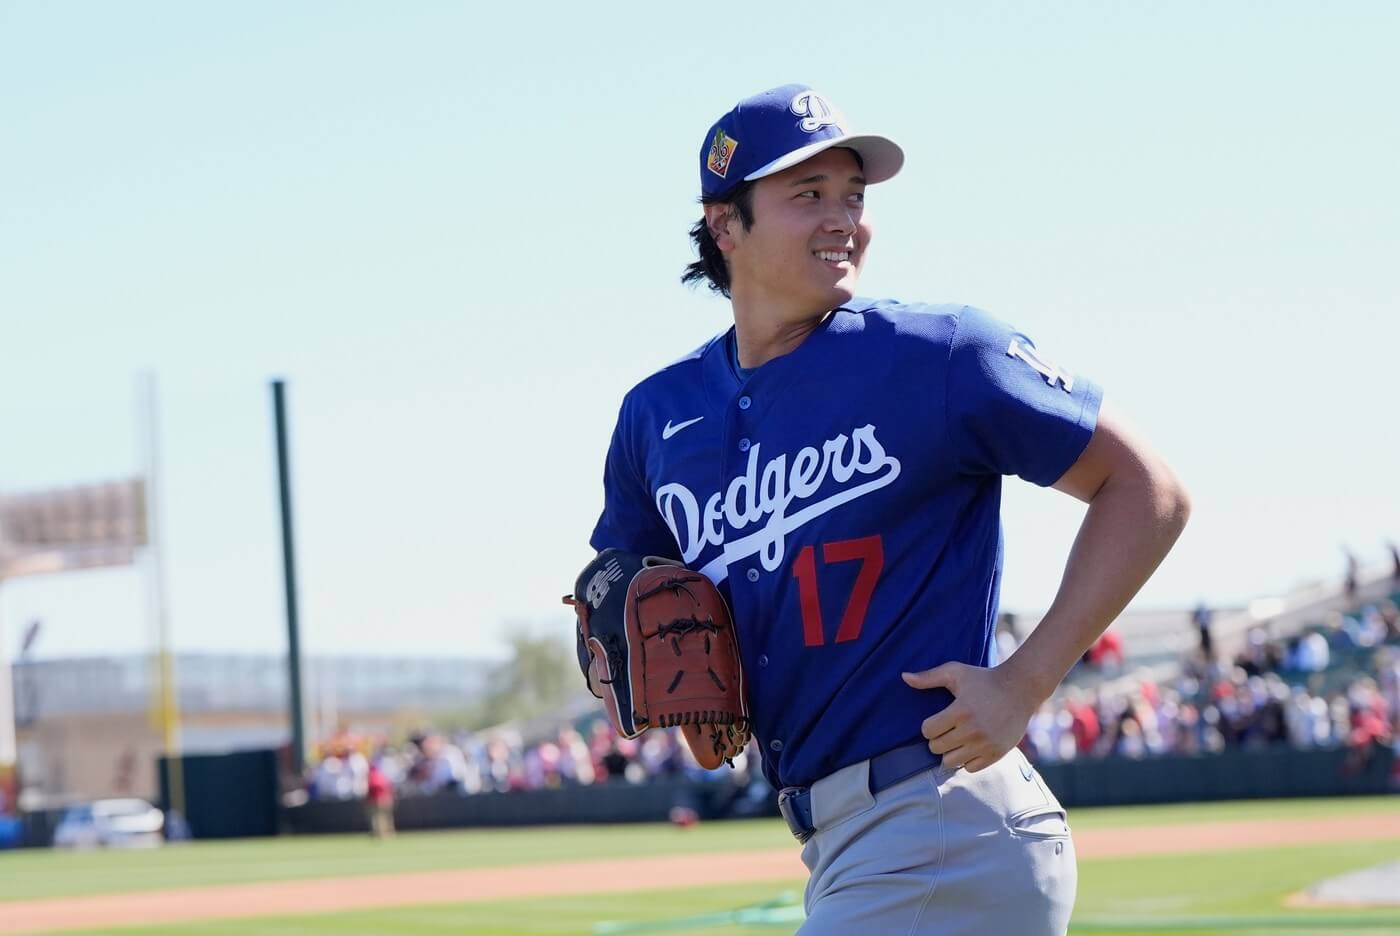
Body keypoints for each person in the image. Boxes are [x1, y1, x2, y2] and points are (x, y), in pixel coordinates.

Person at [581, 84, 1190, 935]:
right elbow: (626, 588)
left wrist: (1026, 680)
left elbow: (1148, 488)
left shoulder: (939, 354)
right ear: (724, 225)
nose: (844, 220)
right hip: (845, 840)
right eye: (809, 195)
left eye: (854, 196)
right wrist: (678, 702)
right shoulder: (658, 412)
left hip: (942, 821)